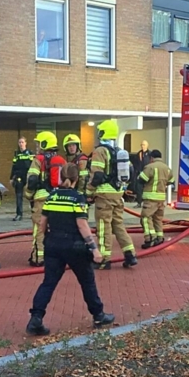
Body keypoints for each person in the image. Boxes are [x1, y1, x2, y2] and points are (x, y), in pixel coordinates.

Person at [26, 162, 116, 336]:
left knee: (48, 283)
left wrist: (48, 239)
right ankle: (98, 315)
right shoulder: (78, 198)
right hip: (75, 247)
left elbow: (42, 223)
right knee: (87, 281)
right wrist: (95, 249)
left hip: (53, 246)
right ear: (76, 179)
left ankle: (35, 318)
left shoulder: (51, 196)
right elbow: (82, 225)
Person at [87, 120, 138, 269]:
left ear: (102, 132)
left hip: (104, 196)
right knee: (119, 226)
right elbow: (131, 173)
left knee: (104, 228)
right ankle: (130, 254)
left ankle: (103, 260)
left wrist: (88, 193)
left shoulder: (100, 151)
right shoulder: (119, 151)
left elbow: (96, 175)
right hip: (117, 194)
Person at [25, 131, 62, 267]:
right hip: (57, 199)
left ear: (45, 143)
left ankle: (38, 257)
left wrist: (28, 195)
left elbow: (32, 180)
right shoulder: (58, 159)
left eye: (39, 143)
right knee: (55, 229)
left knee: (39, 228)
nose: (37, 146)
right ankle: (56, 256)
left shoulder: (38, 159)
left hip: (41, 198)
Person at [137, 148, 173, 249]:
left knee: (145, 218)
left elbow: (141, 180)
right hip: (161, 198)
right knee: (157, 219)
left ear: (151, 158)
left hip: (150, 198)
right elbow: (171, 181)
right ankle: (159, 237)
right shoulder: (167, 168)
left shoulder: (150, 167)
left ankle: (150, 238)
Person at [11, 137, 33, 221]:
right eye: (19, 142)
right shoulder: (16, 154)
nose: (21, 144)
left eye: (22, 142)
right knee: (18, 196)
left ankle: (33, 212)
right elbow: (14, 167)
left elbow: (33, 165)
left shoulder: (30, 153)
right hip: (19, 177)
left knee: (31, 195)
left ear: (25, 143)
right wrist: (11, 177)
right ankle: (19, 214)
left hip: (28, 176)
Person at [132, 140, 151, 208]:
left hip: (148, 174)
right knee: (139, 189)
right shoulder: (139, 154)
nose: (142, 146)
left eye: (144, 145)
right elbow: (136, 164)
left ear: (147, 145)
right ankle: (139, 203)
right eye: (142, 145)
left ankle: (147, 203)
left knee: (147, 189)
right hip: (140, 174)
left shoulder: (149, 154)